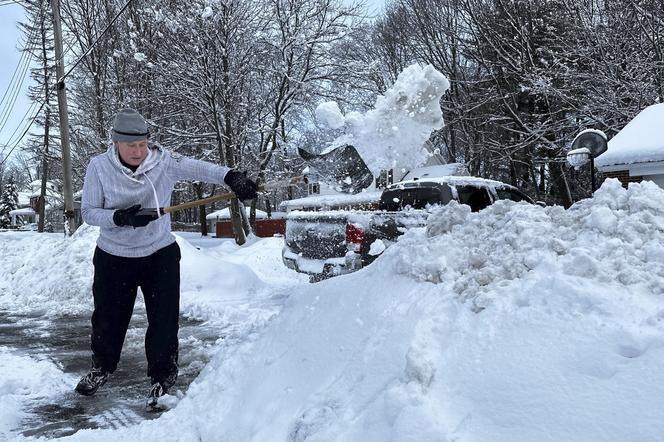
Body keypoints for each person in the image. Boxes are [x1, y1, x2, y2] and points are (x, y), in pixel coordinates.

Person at [75, 108, 257, 407]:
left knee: (163, 319)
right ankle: (102, 368)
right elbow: (89, 212)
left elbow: (200, 168)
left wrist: (231, 177)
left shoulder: (163, 161)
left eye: (142, 144)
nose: (138, 151)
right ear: (116, 143)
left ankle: (163, 376)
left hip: (159, 253)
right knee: (108, 319)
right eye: (131, 146)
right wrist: (120, 217)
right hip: (114, 256)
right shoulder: (99, 167)